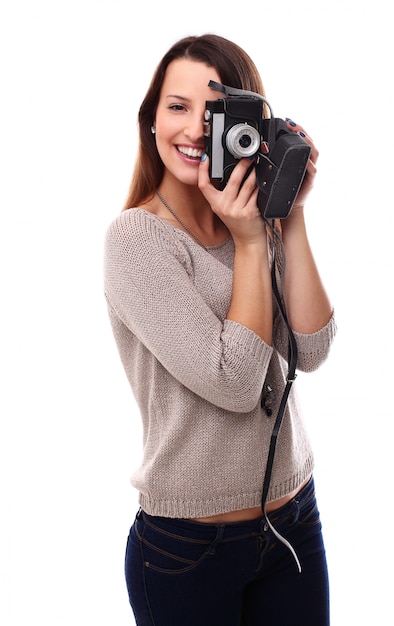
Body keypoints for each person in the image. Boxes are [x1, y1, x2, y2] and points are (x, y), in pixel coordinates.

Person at [104, 33, 337, 626]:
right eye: (176, 107)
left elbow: (310, 349)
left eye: (216, 115)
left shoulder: (255, 219)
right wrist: (252, 241)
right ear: (150, 119)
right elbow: (234, 382)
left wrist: (293, 212)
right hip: (188, 549)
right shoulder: (138, 242)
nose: (193, 130)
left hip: (293, 521)